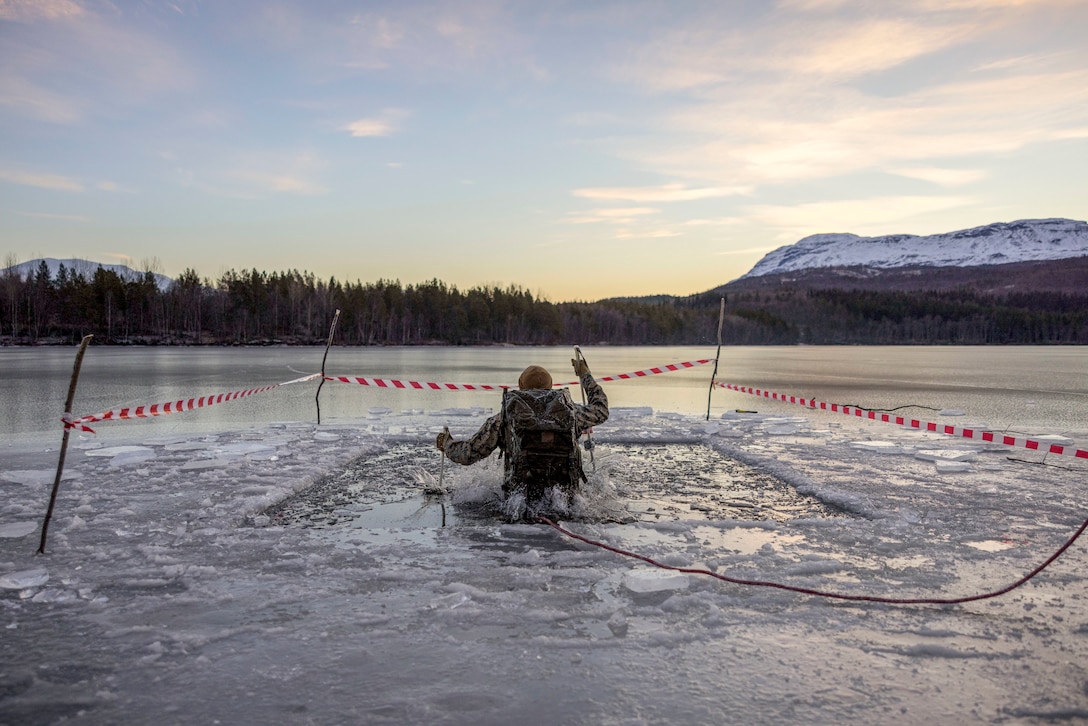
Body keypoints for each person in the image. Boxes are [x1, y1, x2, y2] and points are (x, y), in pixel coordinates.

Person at [436, 356, 609, 512]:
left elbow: (468, 454)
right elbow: (601, 410)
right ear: (550, 386)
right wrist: (585, 375)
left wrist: (447, 444)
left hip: (520, 501)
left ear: (520, 386)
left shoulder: (505, 418)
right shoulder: (572, 414)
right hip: (566, 498)